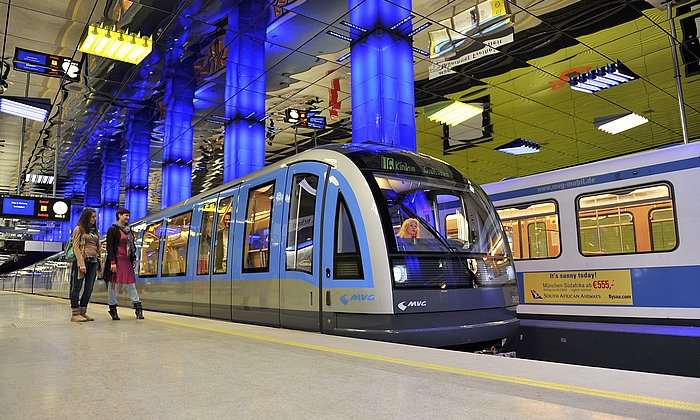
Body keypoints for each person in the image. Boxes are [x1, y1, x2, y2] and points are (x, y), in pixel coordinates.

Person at [103, 207, 144, 320]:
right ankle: (113, 309)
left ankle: (138, 307)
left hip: (126, 260)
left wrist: (133, 257)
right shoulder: (113, 229)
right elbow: (110, 247)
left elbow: (132, 246)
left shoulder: (128, 230)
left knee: (131, 284)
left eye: (128, 215)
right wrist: (112, 262)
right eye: (125, 215)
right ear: (119, 216)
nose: (127, 217)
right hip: (116, 260)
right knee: (112, 284)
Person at [70, 208, 101, 322]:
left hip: (93, 262)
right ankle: (75, 313)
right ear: (86, 217)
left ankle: (83, 312)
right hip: (82, 262)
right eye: (92, 216)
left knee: (89, 288)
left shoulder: (94, 231)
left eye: (95, 216)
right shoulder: (79, 229)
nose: (94, 219)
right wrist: (81, 263)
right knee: (77, 287)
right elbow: (76, 247)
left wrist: (98, 259)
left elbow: (98, 247)